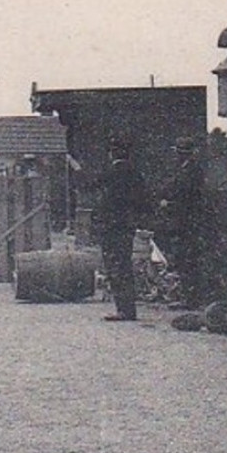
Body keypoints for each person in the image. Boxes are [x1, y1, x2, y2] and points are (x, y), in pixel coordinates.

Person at [94, 136, 148, 322]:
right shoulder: (135, 173)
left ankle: (123, 309)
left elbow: (91, 184)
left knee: (115, 266)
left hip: (112, 226)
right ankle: (128, 308)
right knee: (124, 264)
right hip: (127, 226)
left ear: (113, 153)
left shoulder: (111, 173)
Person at [155, 137, 206, 309]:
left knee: (188, 260)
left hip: (188, 222)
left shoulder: (192, 172)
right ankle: (188, 297)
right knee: (183, 260)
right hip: (183, 222)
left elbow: (189, 199)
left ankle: (191, 300)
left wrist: (169, 204)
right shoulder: (184, 170)